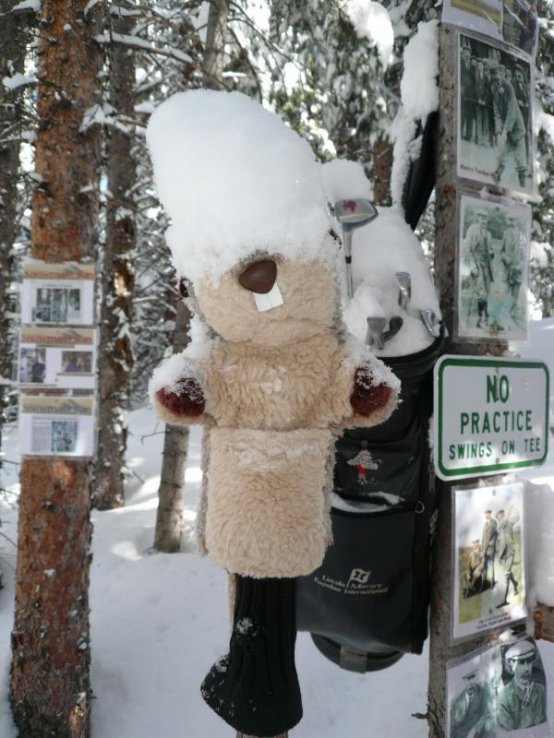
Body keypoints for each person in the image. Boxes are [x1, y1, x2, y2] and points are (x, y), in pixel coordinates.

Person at [490, 63, 528, 188]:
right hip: (507, 129)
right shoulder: (494, 89)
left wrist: (505, 131)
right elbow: (497, 113)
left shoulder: (509, 87)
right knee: (502, 154)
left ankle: (523, 188)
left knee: (520, 161)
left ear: (503, 75)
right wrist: (498, 131)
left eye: (500, 74)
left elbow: (512, 110)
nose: (498, 78)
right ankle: (497, 176)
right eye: (496, 75)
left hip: (517, 128)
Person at [497, 640, 547, 730]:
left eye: (529, 662)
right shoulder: (503, 699)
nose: (526, 668)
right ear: (511, 664)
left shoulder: (540, 689)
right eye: (521, 663)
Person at [465, 209, 494, 328]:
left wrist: (491, 253)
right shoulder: (472, 230)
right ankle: (478, 319)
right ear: (478, 218)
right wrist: (473, 267)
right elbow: (468, 249)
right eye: (481, 218)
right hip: (476, 263)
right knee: (480, 292)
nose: (483, 220)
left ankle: (482, 319)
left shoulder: (488, 234)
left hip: (486, 266)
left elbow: (490, 250)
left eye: (485, 218)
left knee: (485, 292)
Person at [450, 667, 496, 738]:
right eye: (467, 679)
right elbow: (453, 724)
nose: (471, 682)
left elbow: (489, 717)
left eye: (472, 677)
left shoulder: (483, 694)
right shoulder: (459, 700)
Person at [500, 217, 523, 321]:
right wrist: (505, 258)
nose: (512, 222)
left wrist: (520, 266)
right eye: (510, 220)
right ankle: (500, 316)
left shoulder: (521, 235)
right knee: (504, 293)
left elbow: (525, 256)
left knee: (515, 296)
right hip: (507, 269)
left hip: (517, 271)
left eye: (513, 220)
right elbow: (501, 251)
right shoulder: (505, 233)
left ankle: (512, 316)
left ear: (516, 221)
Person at [495, 508, 518, 608]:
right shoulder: (502, 525)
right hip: (506, 553)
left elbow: (504, 542)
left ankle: (503, 600)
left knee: (506, 575)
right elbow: (501, 542)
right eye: (498, 516)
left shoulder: (506, 522)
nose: (498, 517)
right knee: (508, 572)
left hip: (509, 552)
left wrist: (514, 509)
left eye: (499, 515)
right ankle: (515, 584)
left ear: (502, 514)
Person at [481, 509, 497, 585]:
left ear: (490, 514)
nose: (486, 515)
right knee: (484, 565)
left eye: (487, 513)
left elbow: (496, 533)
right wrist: (482, 548)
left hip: (490, 548)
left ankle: (492, 581)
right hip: (484, 548)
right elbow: (483, 538)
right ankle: (484, 581)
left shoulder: (494, 522)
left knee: (491, 565)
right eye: (485, 514)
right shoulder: (485, 525)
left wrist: (492, 541)